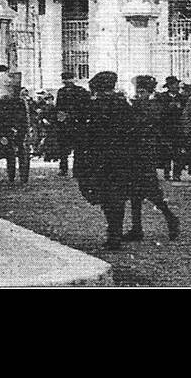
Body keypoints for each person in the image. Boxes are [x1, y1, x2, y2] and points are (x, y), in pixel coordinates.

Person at [74, 70, 138, 250]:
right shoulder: (124, 105)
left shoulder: (94, 106)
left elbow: (85, 135)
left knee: (107, 198)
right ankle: (115, 234)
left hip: (100, 160)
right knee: (117, 197)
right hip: (121, 160)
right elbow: (133, 132)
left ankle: (114, 235)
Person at [125, 76, 182, 242]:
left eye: (141, 91)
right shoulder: (144, 105)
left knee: (151, 192)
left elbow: (143, 124)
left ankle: (171, 219)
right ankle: (137, 228)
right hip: (136, 153)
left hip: (146, 153)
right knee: (135, 193)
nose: (138, 94)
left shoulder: (154, 106)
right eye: (137, 91)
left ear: (149, 91)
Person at [53, 71, 91, 177]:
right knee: (63, 148)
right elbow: (58, 107)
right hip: (65, 124)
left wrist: (79, 117)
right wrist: (60, 118)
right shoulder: (61, 92)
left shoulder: (81, 91)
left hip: (78, 123)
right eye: (65, 79)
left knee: (78, 149)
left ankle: (76, 170)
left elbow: (86, 107)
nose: (67, 81)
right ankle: (63, 168)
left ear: (73, 79)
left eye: (69, 79)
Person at [153, 76, 187, 180]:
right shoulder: (162, 98)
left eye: (176, 84)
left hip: (178, 129)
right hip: (166, 128)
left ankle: (177, 174)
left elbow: (185, 112)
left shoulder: (182, 98)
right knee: (166, 151)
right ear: (168, 87)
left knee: (178, 152)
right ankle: (167, 172)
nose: (175, 86)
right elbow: (158, 111)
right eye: (172, 85)